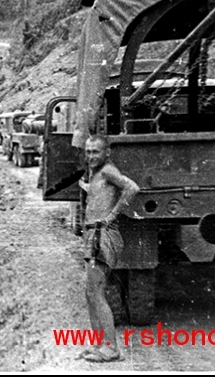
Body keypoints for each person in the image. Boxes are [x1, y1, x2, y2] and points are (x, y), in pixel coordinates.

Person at [78, 135, 139, 363]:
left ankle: (111, 347)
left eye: (95, 152)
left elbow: (132, 188)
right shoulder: (96, 174)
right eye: (88, 151)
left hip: (102, 236)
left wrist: (112, 215)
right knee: (90, 292)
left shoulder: (107, 171)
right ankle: (98, 344)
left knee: (96, 291)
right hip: (93, 234)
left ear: (106, 153)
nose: (91, 156)